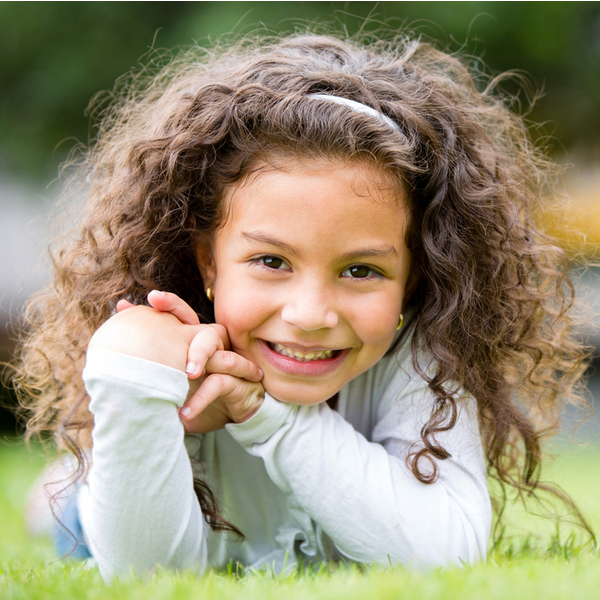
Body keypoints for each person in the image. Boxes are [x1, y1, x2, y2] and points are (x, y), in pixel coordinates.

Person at [14, 31, 591, 580]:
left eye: (361, 270)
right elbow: (146, 577)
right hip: (107, 521)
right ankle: (60, 489)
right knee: (71, 516)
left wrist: (268, 416)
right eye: (271, 262)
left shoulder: (421, 355)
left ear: (414, 280)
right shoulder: (174, 360)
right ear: (208, 261)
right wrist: (132, 374)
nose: (311, 313)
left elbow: (450, 552)